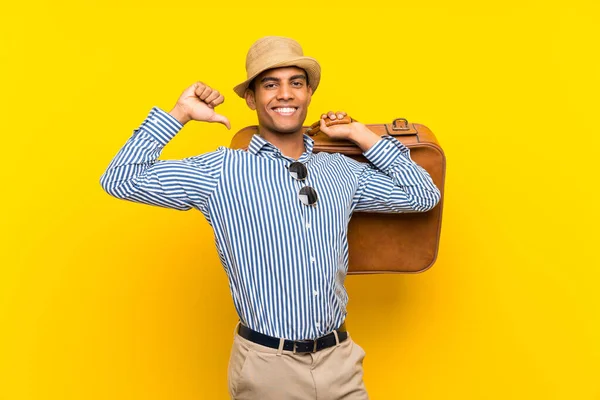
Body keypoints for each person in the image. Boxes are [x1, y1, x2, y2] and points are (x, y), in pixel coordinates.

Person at [100, 35, 441, 399]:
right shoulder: (222, 170)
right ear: (251, 98)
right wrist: (179, 114)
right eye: (270, 84)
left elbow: (422, 194)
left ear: (309, 94)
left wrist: (360, 133)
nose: (285, 94)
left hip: (339, 361)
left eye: (296, 83)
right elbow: (120, 178)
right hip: (268, 367)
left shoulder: (341, 170)